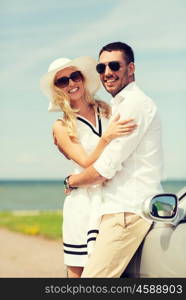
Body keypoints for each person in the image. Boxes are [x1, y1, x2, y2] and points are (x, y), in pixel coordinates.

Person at [64, 42, 164, 278]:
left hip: (127, 212)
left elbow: (103, 170)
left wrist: (71, 181)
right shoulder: (117, 107)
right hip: (114, 212)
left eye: (114, 65)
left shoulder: (135, 105)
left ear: (131, 68)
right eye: (101, 67)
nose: (107, 72)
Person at [40, 56, 136, 278]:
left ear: (82, 78)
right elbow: (85, 162)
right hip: (83, 204)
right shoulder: (61, 126)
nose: (71, 83)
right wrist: (107, 138)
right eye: (63, 81)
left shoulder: (107, 110)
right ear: (56, 89)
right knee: (79, 272)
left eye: (75, 76)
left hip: (112, 198)